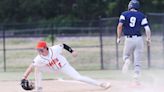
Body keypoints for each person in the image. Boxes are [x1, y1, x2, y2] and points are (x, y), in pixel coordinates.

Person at [21, 40, 111, 92]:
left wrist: (72, 51)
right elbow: (31, 66)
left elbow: (63, 45)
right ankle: (39, 89)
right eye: (38, 50)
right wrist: (24, 77)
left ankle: (102, 84)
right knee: (37, 68)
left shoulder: (54, 49)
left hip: (64, 66)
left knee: (78, 77)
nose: (39, 51)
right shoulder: (39, 57)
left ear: (45, 48)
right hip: (51, 68)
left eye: (40, 50)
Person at [116, 0, 151, 85]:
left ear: (129, 6)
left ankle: (127, 61)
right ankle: (136, 78)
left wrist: (118, 37)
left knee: (125, 56)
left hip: (129, 39)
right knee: (138, 60)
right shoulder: (141, 15)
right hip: (139, 39)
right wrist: (148, 38)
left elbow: (120, 26)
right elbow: (147, 28)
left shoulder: (124, 14)